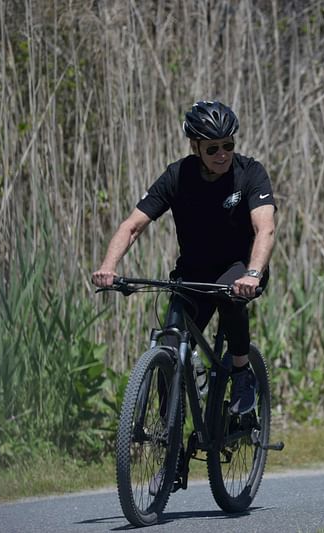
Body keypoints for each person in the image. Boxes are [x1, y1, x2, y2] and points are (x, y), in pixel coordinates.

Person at [92, 100, 276, 416]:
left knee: (231, 296)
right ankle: (169, 443)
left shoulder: (250, 173)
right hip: (192, 272)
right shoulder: (178, 176)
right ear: (196, 147)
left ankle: (242, 373)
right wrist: (109, 267)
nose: (222, 154)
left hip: (240, 268)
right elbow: (132, 226)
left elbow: (266, 229)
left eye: (228, 145)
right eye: (213, 148)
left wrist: (254, 273)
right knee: (170, 349)